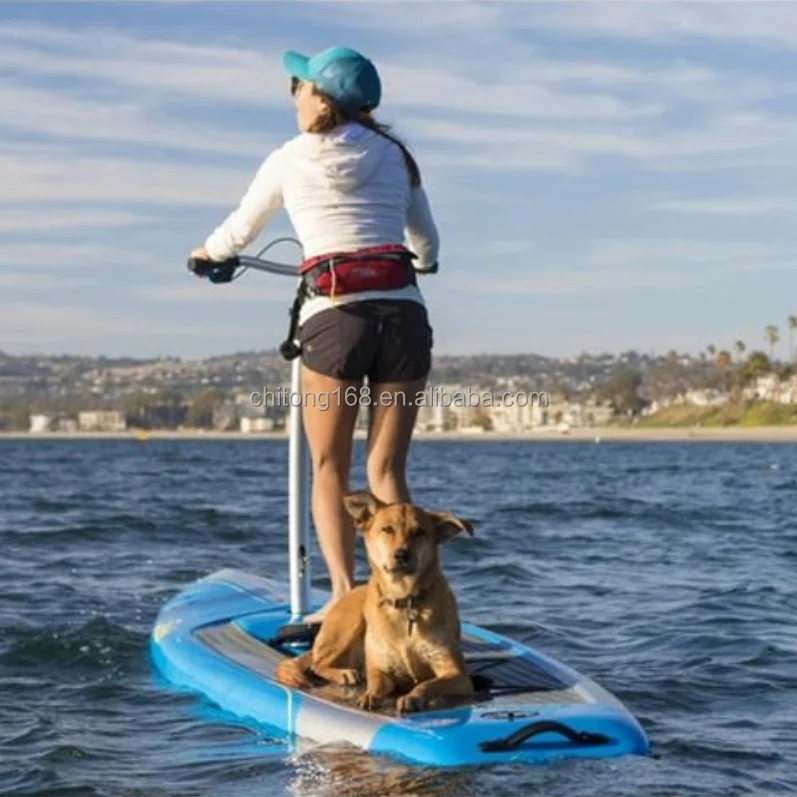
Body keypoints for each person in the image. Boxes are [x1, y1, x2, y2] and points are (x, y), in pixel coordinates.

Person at [190, 46, 440, 622]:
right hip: (403, 317)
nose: (294, 97)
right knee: (387, 471)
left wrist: (206, 256)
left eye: (299, 88)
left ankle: (346, 599)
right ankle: (405, 599)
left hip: (336, 318)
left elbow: (236, 235)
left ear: (321, 98)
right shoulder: (397, 156)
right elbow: (426, 243)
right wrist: (421, 262)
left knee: (329, 465)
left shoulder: (288, 159)